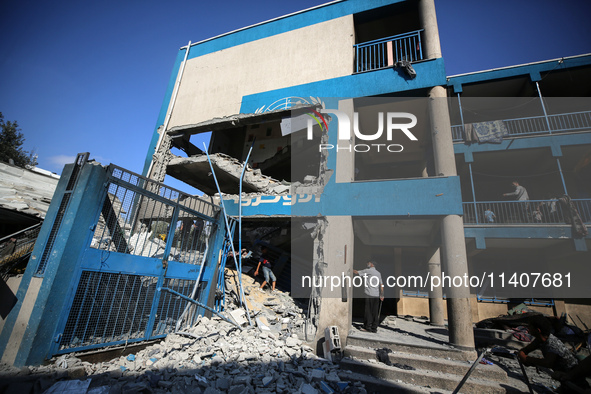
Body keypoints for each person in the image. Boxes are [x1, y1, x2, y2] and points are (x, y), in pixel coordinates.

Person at [353, 261, 384, 333]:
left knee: (368, 311)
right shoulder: (378, 273)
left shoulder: (368, 271)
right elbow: (381, 285)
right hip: (376, 295)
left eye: (369, 263)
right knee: (375, 312)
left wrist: (350, 268)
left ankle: (367, 327)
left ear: (372, 264)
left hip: (369, 294)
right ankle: (374, 328)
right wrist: (382, 295)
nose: (367, 263)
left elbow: (356, 272)